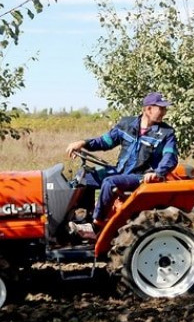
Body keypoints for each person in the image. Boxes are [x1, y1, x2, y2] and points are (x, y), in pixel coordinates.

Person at [66, 92, 179, 239]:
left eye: (165, 109)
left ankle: (96, 226)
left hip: (141, 176)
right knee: (84, 178)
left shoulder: (166, 133)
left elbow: (170, 157)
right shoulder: (127, 124)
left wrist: (157, 173)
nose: (164, 112)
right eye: (161, 108)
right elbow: (105, 142)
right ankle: (83, 217)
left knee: (109, 182)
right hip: (121, 171)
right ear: (148, 109)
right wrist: (84, 143)